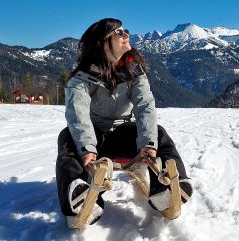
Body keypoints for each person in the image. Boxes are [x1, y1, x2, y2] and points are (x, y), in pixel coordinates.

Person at [56, 18, 193, 226]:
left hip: (124, 134)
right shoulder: (82, 77)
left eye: (125, 30)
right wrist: (87, 148)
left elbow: (145, 106)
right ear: (103, 43)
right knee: (67, 137)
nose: (126, 35)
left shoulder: (133, 71)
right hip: (96, 139)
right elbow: (77, 113)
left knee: (159, 133)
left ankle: (168, 189)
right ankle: (77, 195)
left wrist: (147, 143)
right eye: (118, 33)